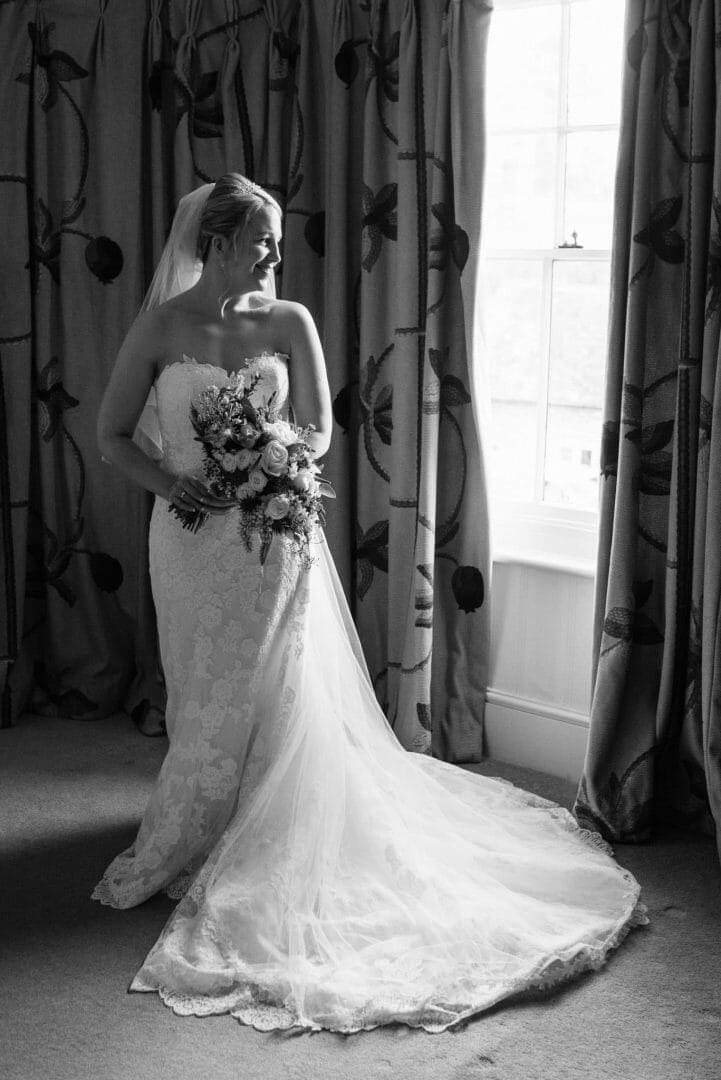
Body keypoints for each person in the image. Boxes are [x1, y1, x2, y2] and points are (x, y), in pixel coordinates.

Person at [93, 173, 647, 1034]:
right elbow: (112, 433)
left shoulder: (290, 322)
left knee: (276, 680)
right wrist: (179, 483)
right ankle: (197, 824)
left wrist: (272, 462)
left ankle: (273, 829)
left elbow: (317, 427)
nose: (276, 254)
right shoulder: (162, 326)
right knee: (202, 677)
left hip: (273, 531)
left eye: (275, 240)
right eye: (263, 239)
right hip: (193, 537)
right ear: (219, 241)